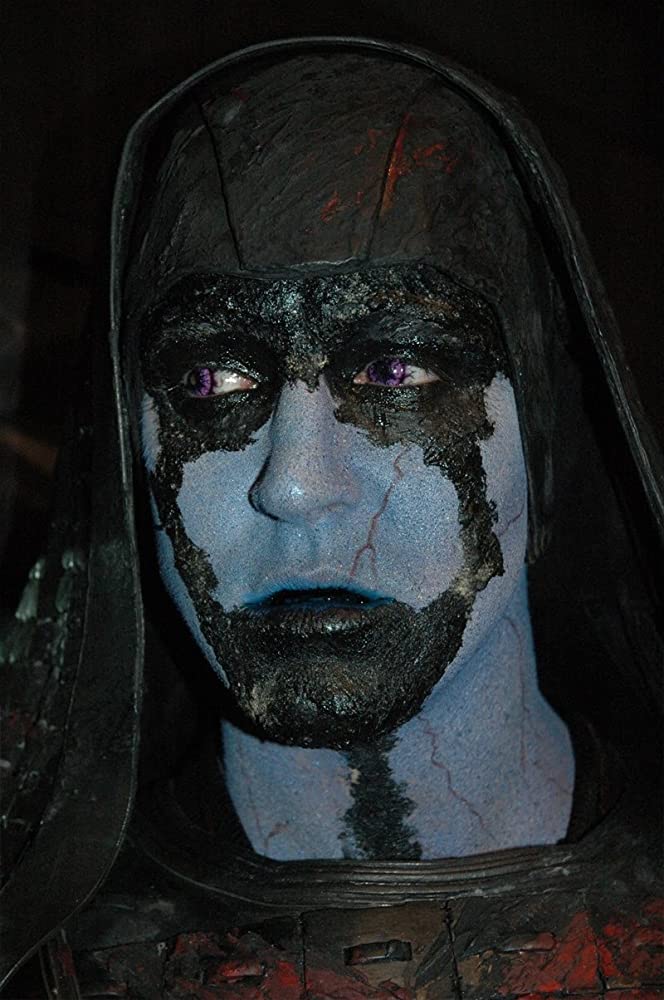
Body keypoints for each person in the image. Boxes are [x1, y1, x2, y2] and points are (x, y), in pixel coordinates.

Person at [1, 38, 662, 998]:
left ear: (547, 440)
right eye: (211, 381)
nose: (297, 485)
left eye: (395, 369)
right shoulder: (40, 954)